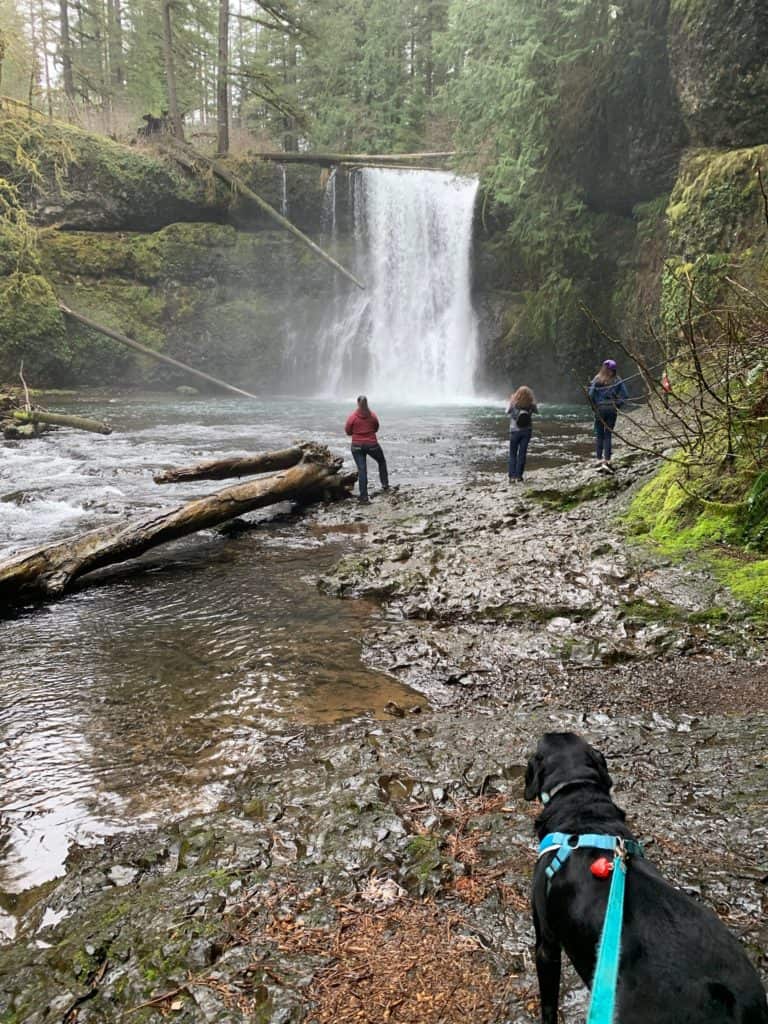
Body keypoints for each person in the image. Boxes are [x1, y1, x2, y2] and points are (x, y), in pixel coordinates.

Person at [345, 395, 389, 504]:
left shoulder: (352, 417)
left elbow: (348, 431)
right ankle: (384, 484)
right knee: (381, 461)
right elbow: (376, 428)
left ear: (357, 403)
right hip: (372, 445)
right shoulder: (372, 416)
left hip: (357, 446)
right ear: (367, 403)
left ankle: (364, 496)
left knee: (362, 470)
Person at [588, 359, 628, 472]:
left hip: (600, 409)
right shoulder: (617, 380)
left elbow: (591, 395)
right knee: (608, 434)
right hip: (612, 409)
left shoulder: (597, 379)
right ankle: (608, 460)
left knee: (600, 434)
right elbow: (625, 395)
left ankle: (599, 459)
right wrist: (617, 405)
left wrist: (594, 407)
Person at [506, 385, 538, 483]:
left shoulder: (513, 403)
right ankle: (519, 476)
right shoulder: (531, 404)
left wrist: (511, 401)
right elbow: (537, 412)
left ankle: (512, 476)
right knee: (522, 454)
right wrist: (533, 403)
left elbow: (507, 412)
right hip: (526, 431)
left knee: (512, 454)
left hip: (514, 431)